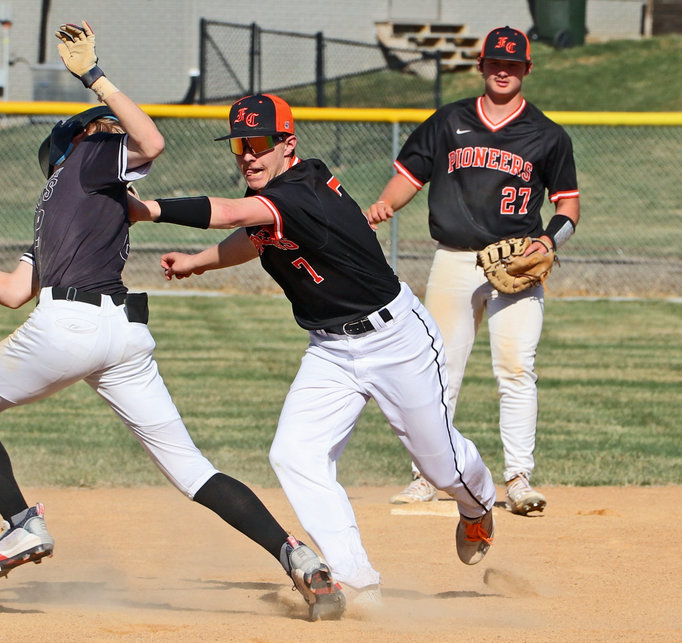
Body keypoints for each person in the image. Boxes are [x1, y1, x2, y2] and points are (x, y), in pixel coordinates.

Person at [0, 21, 345, 622]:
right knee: (194, 470)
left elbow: (148, 143)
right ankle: (298, 557)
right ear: (78, 141)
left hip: (70, 326)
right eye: (97, 128)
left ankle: (22, 523)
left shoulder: (77, 175)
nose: (107, 132)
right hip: (123, 336)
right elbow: (15, 288)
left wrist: (94, 77)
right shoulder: (86, 178)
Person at [131, 92, 497, 606]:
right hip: (330, 348)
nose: (247, 155)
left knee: (440, 469)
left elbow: (232, 213)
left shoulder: (301, 190)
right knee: (294, 454)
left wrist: (147, 209)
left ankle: (479, 506)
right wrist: (199, 262)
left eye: (259, 143)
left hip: (397, 341)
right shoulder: (280, 192)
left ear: (287, 143)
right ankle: (358, 580)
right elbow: (258, 233)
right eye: (239, 145)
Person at [366, 26, 580, 515]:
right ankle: (427, 476)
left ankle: (519, 479)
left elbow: (568, 205)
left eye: (513, 63)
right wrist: (384, 205)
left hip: (518, 265)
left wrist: (548, 240)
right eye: (495, 62)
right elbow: (408, 177)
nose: (503, 69)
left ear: (526, 69)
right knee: (440, 371)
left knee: (516, 367)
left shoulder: (547, 135)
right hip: (454, 260)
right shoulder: (448, 121)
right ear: (481, 65)